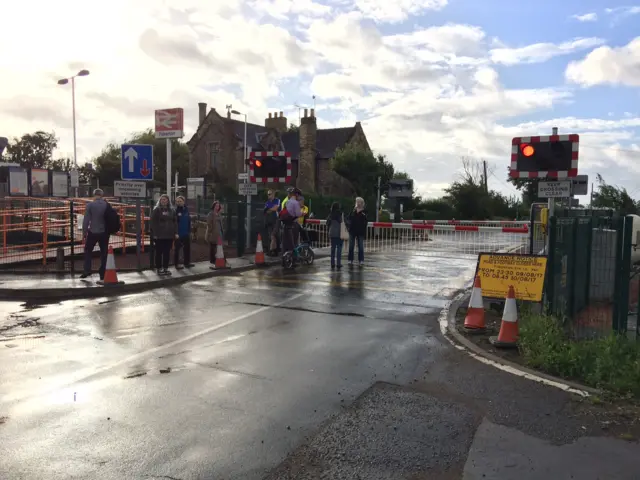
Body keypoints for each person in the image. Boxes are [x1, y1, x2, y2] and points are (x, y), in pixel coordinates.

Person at [81, 188, 109, 280]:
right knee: (104, 252)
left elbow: (86, 220)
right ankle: (103, 272)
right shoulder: (107, 205)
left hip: (93, 231)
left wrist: (84, 232)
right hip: (104, 232)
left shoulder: (90, 205)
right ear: (102, 195)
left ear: (94, 195)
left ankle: (87, 270)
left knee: (88, 250)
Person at [150, 194, 177, 276]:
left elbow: (175, 222)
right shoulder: (156, 210)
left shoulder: (172, 210)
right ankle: (159, 268)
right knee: (159, 252)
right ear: (160, 201)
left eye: (165, 199)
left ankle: (166, 268)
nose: (163, 201)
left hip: (169, 235)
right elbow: (152, 222)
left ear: (168, 201)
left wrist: (176, 232)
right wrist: (154, 234)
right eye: (162, 199)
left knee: (167, 253)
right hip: (159, 235)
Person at [280, 188, 302, 253]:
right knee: (294, 242)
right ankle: (294, 258)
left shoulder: (286, 202)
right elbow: (298, 214)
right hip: (293, 224)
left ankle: (285, 255)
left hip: (285, 224)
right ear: (296, 195)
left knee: (286, 242)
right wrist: (302, 213)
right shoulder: (296, 203)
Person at [347, 196, 368, 267]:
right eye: (357, 202)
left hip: (360, 232)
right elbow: (349, 219)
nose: (358, 203)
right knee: (351, 246)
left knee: (360, 246)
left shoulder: (364, 213)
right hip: (352, 231)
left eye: (359, 202)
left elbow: (365, 222)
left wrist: (361, 213)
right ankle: (350, 260)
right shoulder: (353, 211)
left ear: (362, 203)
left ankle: (361, 260)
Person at [174, 196, 193, 269]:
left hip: (186, 233)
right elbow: (174, 222)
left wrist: (189, 231)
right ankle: (176, 264)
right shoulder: (175, 211)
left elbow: (188, 221)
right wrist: (175, 233)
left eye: (180, 201)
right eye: (177, 201)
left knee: (187, 249)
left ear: (183, 201)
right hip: (178, 234)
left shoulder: (186, 210)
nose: (178, 203)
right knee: (177, 249)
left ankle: (187, 263)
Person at [206, 200, 225, 268]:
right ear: (213, 206)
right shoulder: (211, 214)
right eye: (216, 206)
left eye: (218, 206)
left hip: (219, 232)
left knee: (219, 246)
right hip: (213, 232)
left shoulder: (219, 214)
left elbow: (221, 223)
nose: (217, 207)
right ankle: (212, 260)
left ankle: (220, 258)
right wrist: (210, 231)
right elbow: (209, 223)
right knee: (213, 246)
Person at [326, 202, 343, 269]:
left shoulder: (330, 215)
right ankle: (338, 263)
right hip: (339, 233)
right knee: (339, 248)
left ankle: (332, 263)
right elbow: (343, 222)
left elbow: (327, 223)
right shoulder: (340, 214)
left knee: (333, 249)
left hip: (332, 233)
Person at [264, 190, 280, 256]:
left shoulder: (277, 200)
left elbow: (275, 208)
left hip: (276, 220)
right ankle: (272, 250)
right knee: (270, 236)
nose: (268, 195)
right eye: (268, 194)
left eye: (270, 194)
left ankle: (274, 250)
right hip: (269, 221)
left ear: (273, 194)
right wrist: (271, 209)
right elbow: (266, 211)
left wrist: (270, 209)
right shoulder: (267, 202)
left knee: (274, 235)